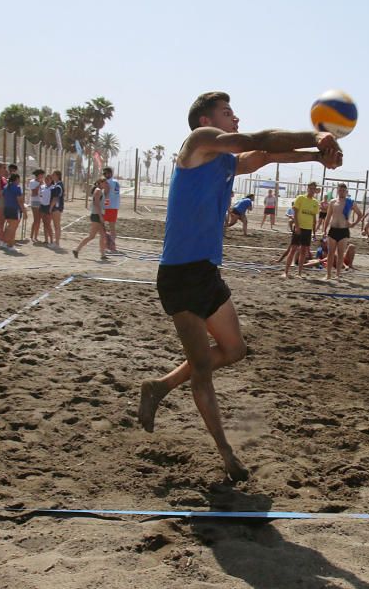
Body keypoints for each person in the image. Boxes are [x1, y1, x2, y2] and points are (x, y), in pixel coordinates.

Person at [137, 91, 342, 481]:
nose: (235, 117)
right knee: (202, 369)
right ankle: (227, 454)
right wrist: (316, 136)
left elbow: (265, 154)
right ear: (204, 122)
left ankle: (159, 386)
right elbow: (258, 140)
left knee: (235, 349)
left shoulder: (225, 163)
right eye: (227, 113)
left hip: (207, 272)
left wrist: (317, 157)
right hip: (179, 275)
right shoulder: (196, 145)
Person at [321, 183, 364, 279]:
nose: (342, 192)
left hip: (344, 231)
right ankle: (328, 275)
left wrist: (353, 224)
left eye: (344, 191)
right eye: (340, 190)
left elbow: (360, 214)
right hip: (333, 230)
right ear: (337, 191)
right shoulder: (332, 202)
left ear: (346, 192)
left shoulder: (350, 202)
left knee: (340, 254)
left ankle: (338, 275)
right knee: (331, 253)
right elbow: (328, 217)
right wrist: (324, 230)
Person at [283, 181, 320, 277]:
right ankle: (285, 272)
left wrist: (314, 232)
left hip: (308, 229)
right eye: (310, 188)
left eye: (313, 189)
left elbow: (314, 218)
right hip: (299, 227)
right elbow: (295, 213)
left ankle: (299, 273)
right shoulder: (300, 198)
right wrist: (297, 226)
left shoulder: (315, 202)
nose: (312, 191)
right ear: (307, 188)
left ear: (315, 190)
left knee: (303, 251)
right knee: (293, 249)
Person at [73, 177, 109, 260]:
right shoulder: (98, 191)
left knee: (100, 235)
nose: (106, 184)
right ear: (100, 183)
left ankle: (102, 254)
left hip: (97, 215)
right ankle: (77, 249)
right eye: (105, 183)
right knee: (93, 236)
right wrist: (100, 216)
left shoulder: (100, 191)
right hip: (96, 215)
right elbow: (96, 204)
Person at [0, 173, 25, 252]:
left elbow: (3, 198)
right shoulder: (17, 188)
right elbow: (20, 201)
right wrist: (24, 211)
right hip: (15, 209)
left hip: (7, 208)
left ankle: (3, 242)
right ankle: (10, 245)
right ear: (16, 179)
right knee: (13, 228)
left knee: (9, 226)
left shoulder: (6, 187)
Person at [103, 166, 120, 252]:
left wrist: (104, 206)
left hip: (108, 207)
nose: (104, 175)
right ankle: (112, 245)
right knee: (112, 227)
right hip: (115, 207)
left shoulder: (107, 182)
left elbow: (106, 195)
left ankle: (108, 243)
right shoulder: (116, 182)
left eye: (105, 173)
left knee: (101, 225)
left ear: (109, 173)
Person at [29, 169, 46, 244]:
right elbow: (34, 193)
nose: (42, 176)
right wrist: (39, 184)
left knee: (39, 220)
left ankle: (36, 236)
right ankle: (31, 235)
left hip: (41, 202)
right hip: (35, 201)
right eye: (41, 174)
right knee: (36, 219)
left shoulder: (43, 182)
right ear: (38, 175)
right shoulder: (32, 182)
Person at [49, 170, 64, 245]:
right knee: (56, 225)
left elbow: (55, 198)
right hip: (56, 208)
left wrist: (50, 208)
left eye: (53, 175)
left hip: (56, 208)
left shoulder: (58, 186)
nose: (52, 176)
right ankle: (56, 242)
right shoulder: (57, 184)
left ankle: (57, 242)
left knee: (57, 225)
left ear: (58, 176)